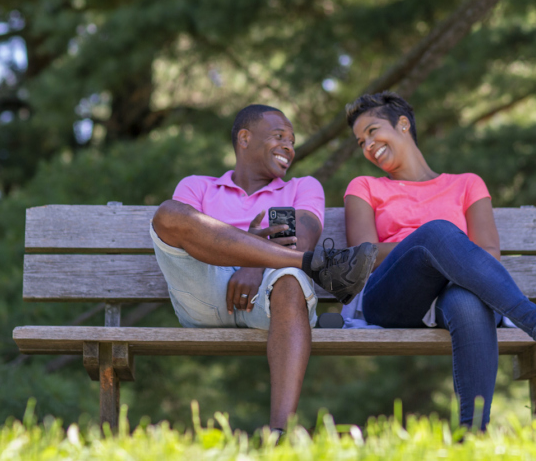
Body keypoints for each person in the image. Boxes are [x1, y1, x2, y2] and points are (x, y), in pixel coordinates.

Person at [342, 92, 536, 430]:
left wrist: (448, 255)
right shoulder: (364, 186)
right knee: (436, 233)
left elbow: (488, 253)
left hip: (458, 293)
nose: (368, 145)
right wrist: (429, 246)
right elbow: (363, 255)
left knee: (468, 301)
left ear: (403, 124)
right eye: (360, 142)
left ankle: (473, 437)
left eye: (372, 131)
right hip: (394, 298)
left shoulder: (467, 184)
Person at [150, 104, 377, 432]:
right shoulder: (197, 186)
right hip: (203, 291)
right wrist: (252, 253)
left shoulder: (302, 187)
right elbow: (182, 231)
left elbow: (303, 236)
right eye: (279, 136)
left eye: (292, 141)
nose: (289, 146)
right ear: (244, 138)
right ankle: (316, 266)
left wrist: (255, 265)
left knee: (291, 279)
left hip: (270, 299)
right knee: (168, 213)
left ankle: (280, 433)